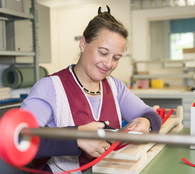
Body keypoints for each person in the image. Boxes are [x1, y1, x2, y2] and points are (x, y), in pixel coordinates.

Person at [20, 5, 162, 174]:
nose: (109, 64)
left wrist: (146, 123)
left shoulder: (115, 87)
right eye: (103, 53)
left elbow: (151, 114)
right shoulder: (50, 87)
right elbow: (21, 137)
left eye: (116, 58)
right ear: (83, 44)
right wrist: (76, 137)